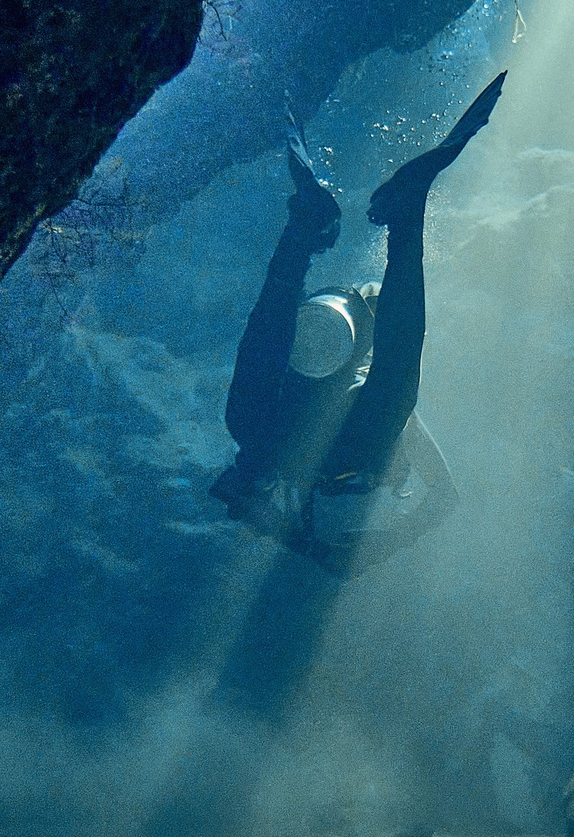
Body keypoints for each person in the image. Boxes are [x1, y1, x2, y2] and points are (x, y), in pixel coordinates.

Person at [210, 73, 506, 574]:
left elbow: (231, 492)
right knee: (360, 397)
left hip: (276, 437)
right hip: (286, 438)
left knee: (366, 388)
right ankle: (323, 224)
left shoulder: (350, 400)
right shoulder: (378, 429)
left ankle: (327, 222)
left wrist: (309, 541)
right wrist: (375, 546)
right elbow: (445, 495)